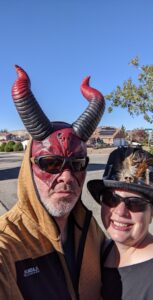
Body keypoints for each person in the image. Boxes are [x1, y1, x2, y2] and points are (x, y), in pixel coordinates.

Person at [0, 65, 106, 300]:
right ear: (30, 168)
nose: (67, 177)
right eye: (50, 163)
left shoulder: (90, 230)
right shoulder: (7, 243)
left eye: (77, 163)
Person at [87, 146, 153, 300]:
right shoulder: (104, 250)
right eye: (111, 199)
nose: (120, 211)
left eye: (135, 203)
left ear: (152, 212)